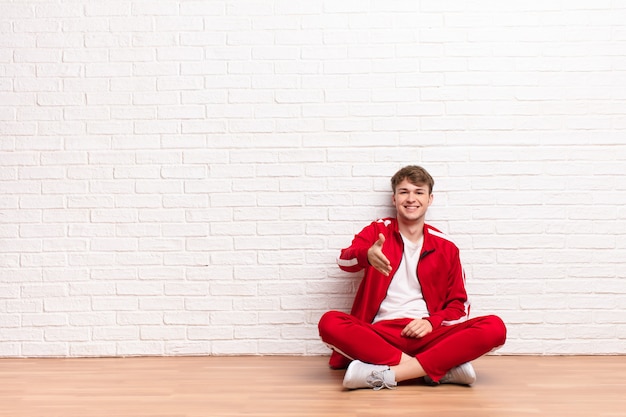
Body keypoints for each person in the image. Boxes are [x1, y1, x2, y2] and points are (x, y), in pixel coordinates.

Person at [318, 165, 506, 390]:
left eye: (419, 192)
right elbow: (344, 261)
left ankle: (384, 374)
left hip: (429, 335)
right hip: (380, 334)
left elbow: (459, 306)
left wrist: (430, 322)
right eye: (404, 191)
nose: (411, 198)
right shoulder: (378, 230)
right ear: (394, 198)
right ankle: (438, 370)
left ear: (430, 199)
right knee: (329, 322)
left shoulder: (447, 247)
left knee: (494, 327)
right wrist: (366, 255)